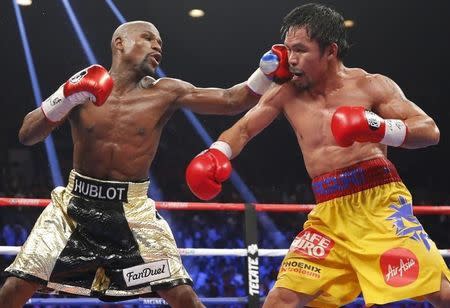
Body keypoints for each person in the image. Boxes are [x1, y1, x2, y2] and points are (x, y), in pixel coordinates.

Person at [0, 20, 286, 308]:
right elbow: (27, 134)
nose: (157, 45)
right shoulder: (82, 90)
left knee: (181, 295)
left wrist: (267, 72)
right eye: (148, 38)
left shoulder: (166, 92)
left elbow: (231, 100)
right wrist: (65, 96)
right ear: (120, 43)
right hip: (73, 209)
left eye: (159, 42)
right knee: (16, 286)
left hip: (134, 213)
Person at [186, 3, 450, 307]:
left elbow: (429, 131)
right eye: (288, 50)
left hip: (379, 206)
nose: (291, 59)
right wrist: (217, 152)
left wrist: (376, 127)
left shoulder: (371, 85)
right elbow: (243, 129)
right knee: (280, 299)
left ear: (330, 51)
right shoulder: (286, 92)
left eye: (300, 50)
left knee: (440, 293)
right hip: (327, 214)